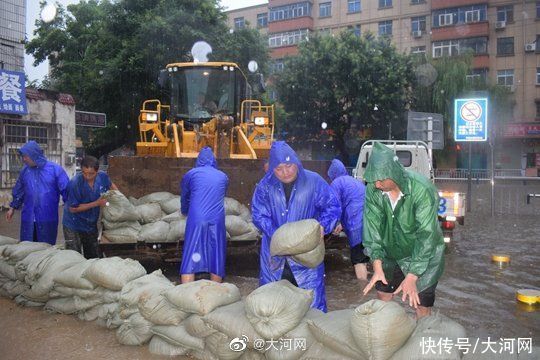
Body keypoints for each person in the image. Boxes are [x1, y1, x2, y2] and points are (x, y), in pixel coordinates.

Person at [252, 141, 341, 312]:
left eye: (288, 166)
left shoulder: (313, 181)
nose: (285, 173)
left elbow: (332, 206)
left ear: (296, 163)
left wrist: (323, 226)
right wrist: (281, 237)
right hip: (275, 255)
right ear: (271, 169)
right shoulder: (265, 186)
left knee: (312, 304)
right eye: (278, 169)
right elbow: (258, 214)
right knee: (272, 306)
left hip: (307, 254)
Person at [362, 142, 445, 318]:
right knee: (383, 298)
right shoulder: (373, 189)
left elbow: (426, 235)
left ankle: (421, 339)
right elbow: (372, 229)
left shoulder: (421, 189)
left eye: (381, 179)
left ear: (394, 174)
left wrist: (413, 275)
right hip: (390, 253)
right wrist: (377, 267)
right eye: (373, 179)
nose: (376, 184)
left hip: (423, 254)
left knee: (420, 304)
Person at [180, 147, 229, 283]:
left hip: (196, 217)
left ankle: (187, 290)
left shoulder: (190, 174)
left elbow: (185, 196)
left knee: (191, 251)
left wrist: (185, 210)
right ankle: (214, 292)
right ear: (214, 161)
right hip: (217, 218)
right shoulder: (223, 176)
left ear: (198, 160)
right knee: (217, 252)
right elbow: (221, 194)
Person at [5, 140, 69, 245]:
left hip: (47, 217)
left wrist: (72, 207)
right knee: (27, 248)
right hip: (28, 218)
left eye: (26, 156)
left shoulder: (55, 170)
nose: (24, 159)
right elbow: (19, 190)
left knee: (46, 248)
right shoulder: (25, 171)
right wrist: (12, 208)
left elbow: (66, 190)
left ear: (34, 155)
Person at [62, 156, 117, 258]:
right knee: (74, 256)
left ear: (97, 171)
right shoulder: (75, 183)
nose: (87, 176)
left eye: (91, 174)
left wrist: (119, 198)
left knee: (93, 255)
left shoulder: (102, 177)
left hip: (90, 223)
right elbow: (73, 209)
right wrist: (97, 203)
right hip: (73, 224)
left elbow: (112, 186)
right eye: (84, 173)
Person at [327, 159, 369, 280]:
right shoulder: (353, 181)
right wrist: (341, 225)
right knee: (363, 254)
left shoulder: (336, 183)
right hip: (368, 223)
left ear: (332, 173)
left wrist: (330, 226)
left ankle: (362, 290)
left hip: (356, 223)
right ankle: (366, 281)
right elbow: (350, 203)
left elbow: (334, 207)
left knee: (358, 259)